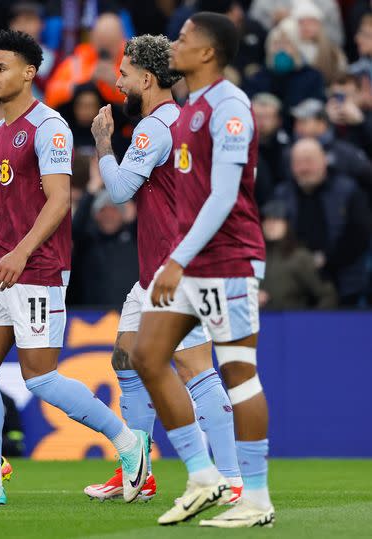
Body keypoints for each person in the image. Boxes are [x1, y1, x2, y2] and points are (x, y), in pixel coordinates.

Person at [0, 30, 148, 506]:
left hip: (37, 266)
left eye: (2, 68)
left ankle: (129, 445)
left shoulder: (50, 127)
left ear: (29, 72)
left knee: (39, 377)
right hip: (0, 266)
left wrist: (20, 253)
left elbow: (60, 199)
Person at [85, 34, 242, 503]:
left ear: (147, 79)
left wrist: (102, 143)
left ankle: (231, 478)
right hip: (158, 271)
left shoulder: (155, 128)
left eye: (125, 74)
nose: (119, 82)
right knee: (126, 357)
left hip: (177, 271)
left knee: (195, 368)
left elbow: (117, 191)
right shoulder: (182, 122)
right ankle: (138, 472)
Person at [131, 13, 273, 527]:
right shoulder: (191, 108)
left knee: (238, 373)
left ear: (208, 52)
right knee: (145, 354)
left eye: (184, 38)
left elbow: (226, 194)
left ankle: (255, 498)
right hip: (193, 262)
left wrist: (176, 258)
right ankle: (202, 477)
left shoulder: (230, 106)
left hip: (227, 259)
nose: (174, 43)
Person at [275, 138, 372, 306]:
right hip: (293, 286)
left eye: (309, 161)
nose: (304, 168)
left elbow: (360, 234)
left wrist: (328, 260)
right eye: (298, 162)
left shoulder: (348, 190)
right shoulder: (282, 195)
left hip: (345, 282)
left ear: (324, 160)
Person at [259, 200, 337, 309]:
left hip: (291, 322)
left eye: (277, 219)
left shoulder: (300, 257)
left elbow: (327, 295)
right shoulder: (251, 255)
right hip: (257, 322)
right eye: (267, 219)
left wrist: (312, 321)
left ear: (287, 224)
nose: (270, 224)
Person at [45, 13, 126, 109]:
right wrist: (87, 81)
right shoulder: (78, 61)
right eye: (101, 40)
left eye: (110, 42)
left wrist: (115, 84)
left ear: (121, 39)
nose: (105, 47)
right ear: (92, 38)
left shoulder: (131, 64)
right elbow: (50, 96)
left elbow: (142, 100)